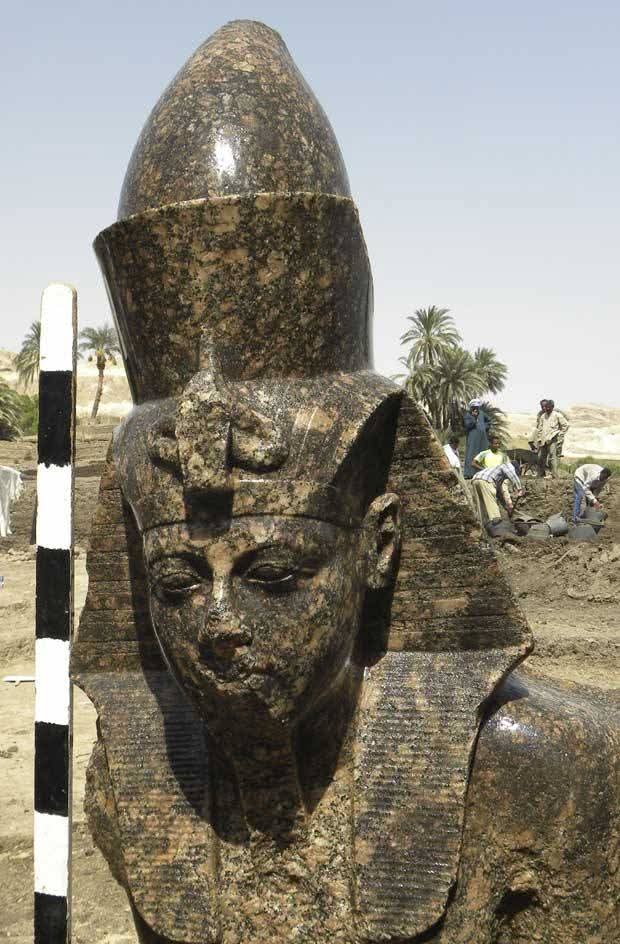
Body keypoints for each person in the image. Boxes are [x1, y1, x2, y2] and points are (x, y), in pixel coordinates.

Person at [471, 460, 524, 526]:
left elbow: (499, 494)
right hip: (486, 480)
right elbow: (513, 475)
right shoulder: (508, 466)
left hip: (475, 480)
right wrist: (519, 489)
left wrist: (506, 507)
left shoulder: (498, 474)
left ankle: (483, 524)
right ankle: (497, 522)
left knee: (482, 504)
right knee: (491, 501)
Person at [530, 399, 569, 478]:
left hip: (553, 439)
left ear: (552, 407)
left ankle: (553, 474)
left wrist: (560, 434)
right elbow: (540, 429)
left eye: (548, 407)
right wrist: (539, 439)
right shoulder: (542, 416)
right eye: (545, 407)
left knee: (552, 457)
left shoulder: (557, 415)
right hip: (544, 440)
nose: (546, 409)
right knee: (541, 457)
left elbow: (566, 425)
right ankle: (541, 473)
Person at [463, 399, 490, 479]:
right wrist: (474, 418)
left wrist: (485, 427)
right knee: (471, 454)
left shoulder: (482, 414)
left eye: (477, 407)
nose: (476, 409)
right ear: (471, 407)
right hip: (472, 438)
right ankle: (469, 474)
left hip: (483, 438)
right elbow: (467, 425)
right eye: (474, 407)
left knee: (482, 453)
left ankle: (481, 473)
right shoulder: (468, 415)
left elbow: (489, 421)